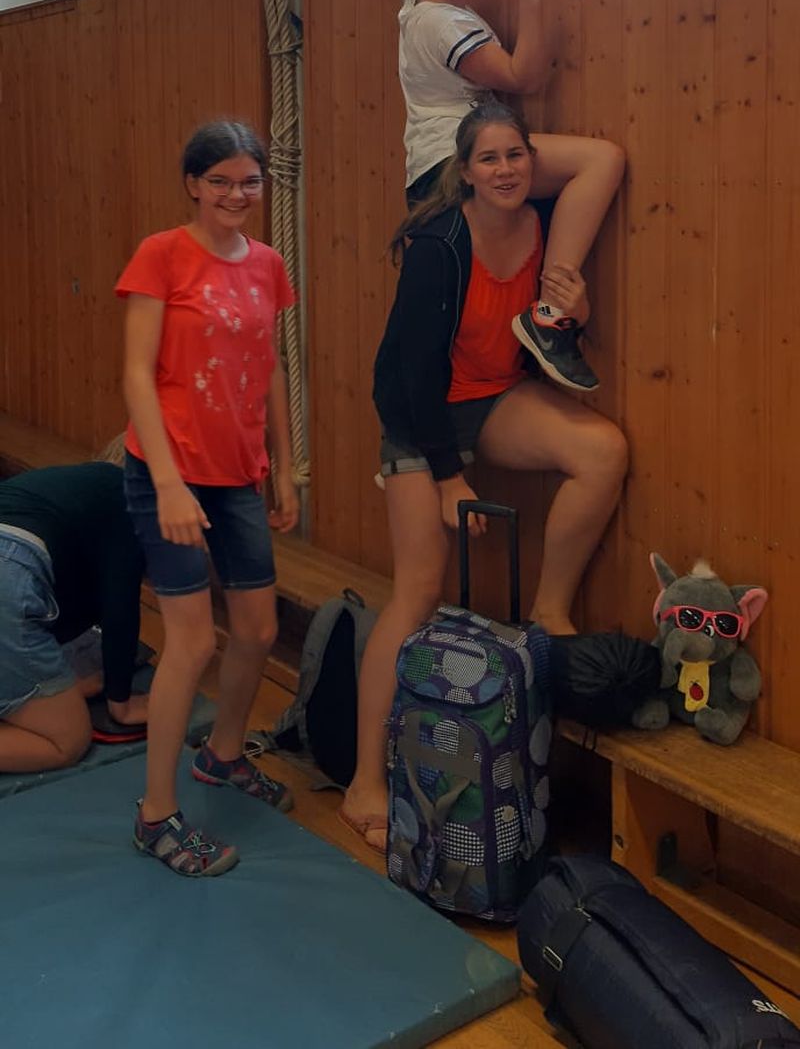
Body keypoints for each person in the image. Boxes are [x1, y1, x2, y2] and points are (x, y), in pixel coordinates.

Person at [340, 98, 628, 851]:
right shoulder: (439, 243)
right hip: (419, 412)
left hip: (492, 397)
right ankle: (365, 779)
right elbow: (407, 374)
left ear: (534, 162)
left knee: (602, 452)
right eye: (489, 159)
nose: (506, 170)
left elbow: (601, 160)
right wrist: (445, 477)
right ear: (464, 172)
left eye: (517, 156)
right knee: (418, 588)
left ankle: (548, 616)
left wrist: (576, 311)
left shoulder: (544, 225)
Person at [118, 118, 300, 878]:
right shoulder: (162, 254)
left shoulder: (267, 263)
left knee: (258, 628)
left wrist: (284, 464)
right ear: (193, 184)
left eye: (249, 181)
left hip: (237, 474)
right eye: (220, 180)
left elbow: (270, 364)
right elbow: (137, 373)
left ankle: (222, 754)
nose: (236, 193)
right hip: (169, 471)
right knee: (192, 642)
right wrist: (167, 482)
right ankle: (155, 814)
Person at [390, 0, 625, 394]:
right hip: (450, 162)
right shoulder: (440, 20)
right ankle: (549, 314)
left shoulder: (423, 9)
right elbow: (524, 77)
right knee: (600, 160)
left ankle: (544, 317)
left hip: (442, 160)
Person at [0, 458, 148, 773]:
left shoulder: (64, 490)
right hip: (8, 572)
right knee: (67, 740)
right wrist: (120, 702)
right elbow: (120, 608)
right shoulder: (129, 498)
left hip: (11, 570)